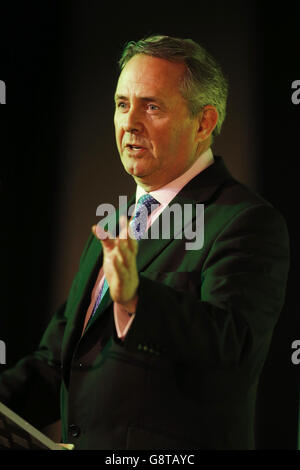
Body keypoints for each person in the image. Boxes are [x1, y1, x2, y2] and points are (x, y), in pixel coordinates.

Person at [0, 35, 289, 450]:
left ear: (204, 122)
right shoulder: (117, 223)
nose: (129, 122)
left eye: (151, 106)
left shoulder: (245, 221)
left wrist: (137, 300)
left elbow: (231, 349)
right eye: (122, 104)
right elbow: (58, 362)